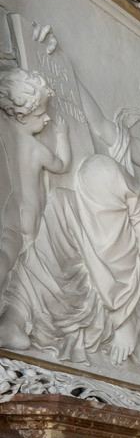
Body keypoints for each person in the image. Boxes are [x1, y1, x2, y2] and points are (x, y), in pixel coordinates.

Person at [0, 74, 140, 389]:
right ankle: (15, 316)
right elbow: (99, 124)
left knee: (101, 170)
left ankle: (126, 314)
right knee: (62, 204)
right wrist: (64, 66)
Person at [0, 67, 70, 290]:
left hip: (10, 212)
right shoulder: (35, 149)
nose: (48, 118)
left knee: (9, 256)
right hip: (28, 214)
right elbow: (62, 165)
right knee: (28, 268)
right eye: (40, 115)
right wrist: (62, 136)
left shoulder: (6, 134)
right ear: (20, 116)